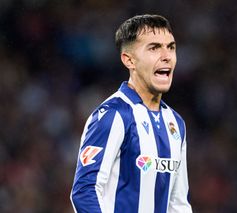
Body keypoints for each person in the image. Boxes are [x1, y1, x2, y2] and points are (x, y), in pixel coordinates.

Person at [70, 14, 193, 213]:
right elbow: (85, 191)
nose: (166, 56)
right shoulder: (114, 115)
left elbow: (178, 203)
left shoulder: (176, 123)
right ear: (129, 60)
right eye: (154, 48)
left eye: (171, 47)